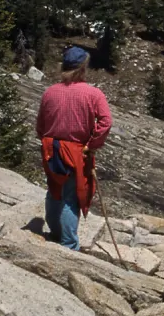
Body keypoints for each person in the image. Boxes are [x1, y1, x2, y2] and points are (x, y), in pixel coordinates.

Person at [36, 46, 113, 250]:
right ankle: (68, 244)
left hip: (51, 149)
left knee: (54, 190)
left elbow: (40, 125)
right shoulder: (93, 94)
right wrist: (92, 145)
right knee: (71, 197)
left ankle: (54, 233)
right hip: (76, 151)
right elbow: (106, 122)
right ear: (83, 68)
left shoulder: (50, 92)